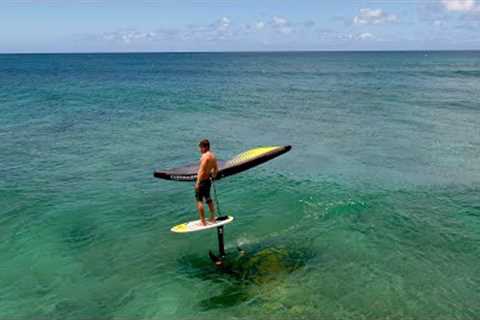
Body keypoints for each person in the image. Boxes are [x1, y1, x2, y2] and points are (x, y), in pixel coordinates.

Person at [195, 139, 219, 226]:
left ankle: (203, 221)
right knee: (208, 198)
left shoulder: (205, 156)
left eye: (200, 148)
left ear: (205, 147)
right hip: (208, 181)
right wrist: (213, 176)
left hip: (202, 181)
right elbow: (216, 169)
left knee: (199, 200)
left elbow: (201, 170)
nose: (200, 150)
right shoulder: (213, 156)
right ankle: (213, 217)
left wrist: (197, 182)